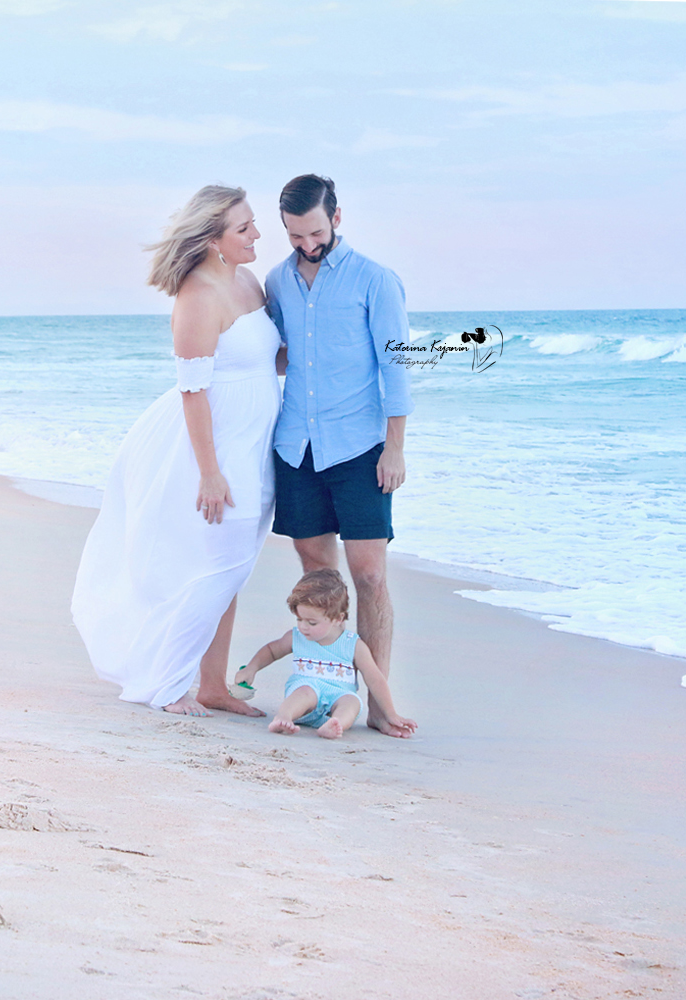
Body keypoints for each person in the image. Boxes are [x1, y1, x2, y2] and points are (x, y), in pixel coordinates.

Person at [72, 185, 281, 717]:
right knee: (218, 565)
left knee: (235, 565)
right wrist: (209, 474)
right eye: (244, 227)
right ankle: (166, 683)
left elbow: (267, 362)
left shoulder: (249, 282)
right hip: (212, 446)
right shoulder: (197, 296)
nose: (257, 233)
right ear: (213, 238)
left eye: (253, 223)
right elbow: (194, 392)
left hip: (256, 441)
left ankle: (214, 686)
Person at [262, 174, 414, 731]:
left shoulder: (376, 281)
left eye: (316, 232)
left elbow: (397, 368)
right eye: (295, 235)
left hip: (359, 447)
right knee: (317, 576)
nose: (307, 245)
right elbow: (276, 356)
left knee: (369, 576)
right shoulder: (277, 281)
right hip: (296, 446)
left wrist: (394, 449)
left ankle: (379, 704)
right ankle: (327, 689)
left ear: (338, 218)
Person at [234, 569, 416, 739]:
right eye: (299, 619)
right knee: (303, 693)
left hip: (339, 693)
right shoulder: (296, 637)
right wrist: (251, 668)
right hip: (306, 690)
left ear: (338, 619)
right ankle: (283, 718)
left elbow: (374, 678)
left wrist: (390, 713)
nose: (303, 627)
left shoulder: (353, 645)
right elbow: (271, 651)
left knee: (351, 703)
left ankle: (336, 725)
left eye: (312, 622)